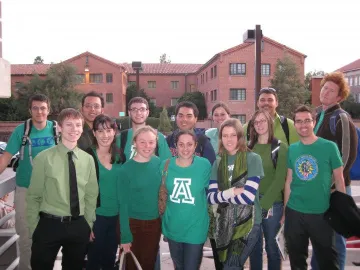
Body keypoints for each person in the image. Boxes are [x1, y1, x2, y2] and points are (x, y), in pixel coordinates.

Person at [26, 108, 99, 270]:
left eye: (78, 125)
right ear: (59, 128)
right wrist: (34, 228)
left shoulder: (87, 160)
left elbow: (91, 194)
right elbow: (33, 196)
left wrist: (88, 223)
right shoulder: (43, 158)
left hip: (78, 225)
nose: (74, 129)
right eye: (69, 125)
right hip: (48, 225)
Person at [283, 105, 345, 270]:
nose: (303, 125)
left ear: (314, 122)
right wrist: (285, 212)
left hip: (322, 214)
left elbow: (339, 180)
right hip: (295, 213)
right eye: (299, 121)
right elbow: (289, 181)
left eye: (307, 120)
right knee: (297, 263)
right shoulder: (292, 149)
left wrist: (341, 209)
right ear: (294, 124)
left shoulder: (329, 147)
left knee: (328, 262)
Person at [0, 94, 57, 270]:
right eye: (35, 108)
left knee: (49, 237)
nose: (39, 111)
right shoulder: (21, 130)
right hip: (25, 190)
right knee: (25, 237)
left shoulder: (57, 129)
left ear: (49, 109)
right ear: (30, 110)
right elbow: (5, 158)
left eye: (43, 108)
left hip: (50, 192)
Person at [311, 72, 358, 270]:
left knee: (336, 240)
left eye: (331, 90)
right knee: (318, 238)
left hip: (335, 189)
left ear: (339, 97)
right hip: (316, 189)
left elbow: (347, 156)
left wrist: (330, 184)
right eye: (324, 87)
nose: (326, 92)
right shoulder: (317, 115)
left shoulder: (341, 118)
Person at [207, 118, 264, 270]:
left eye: (233, 135)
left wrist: (222, 195)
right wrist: (233, 191)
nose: (229, 139)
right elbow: (211, 197)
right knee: (229, 265)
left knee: (231, 266)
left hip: (249, 222)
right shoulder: (218, 162)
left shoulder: (253, 159)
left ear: (240, 137)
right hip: (224, 223)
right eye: (225, 136)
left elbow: (248, 197)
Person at [161, 130, 211, 270]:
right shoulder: (165, 165)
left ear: (195, 145)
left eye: (189, 144)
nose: (185, 148)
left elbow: (212, 191)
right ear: (175, 146)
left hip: (196, 228)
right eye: (181, 144)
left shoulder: (204, 165)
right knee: (179, 267)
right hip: (173, 228)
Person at [247, 110, 288, 270]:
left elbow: (280, 180)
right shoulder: (249, 148)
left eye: (263, 121)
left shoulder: (280, 148)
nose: (259, 125)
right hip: (251, 204)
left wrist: (263, 206)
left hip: (272, 205)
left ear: (270, 123)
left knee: (272, 248)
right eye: (256, 122)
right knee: (254, 249)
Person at [118, 126, 162, 270]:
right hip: (133, 224)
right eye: (142, 142)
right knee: (132, 266)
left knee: (148, 264)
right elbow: (122, 205)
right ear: (134, 143)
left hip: (154, 224)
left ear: (156, 143)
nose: (147, 146)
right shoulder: (125, 169)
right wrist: (124, 235)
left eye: (151, 142)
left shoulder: (160, 164)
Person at [86, 115, 122, 270]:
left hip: (116, 217)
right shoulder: (87, 156)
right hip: (96, 218)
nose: (105, 135)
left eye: (108, 130)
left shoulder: (120, 156)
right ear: (94, 133)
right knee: (93, 261)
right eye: (100, 131)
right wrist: (87, 223)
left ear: (114, 132)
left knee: (109, 260)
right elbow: (80, 191)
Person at [206, 103, 230, 270]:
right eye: (216, 114)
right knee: (215, 236)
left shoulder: (236, 135)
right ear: (212, 117)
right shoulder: (208, 135)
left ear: (229, 115)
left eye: (223, 114)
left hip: (232, 194)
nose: (220, 117)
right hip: (214, 194)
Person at [116, 97, 171, 161]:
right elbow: (116, 164)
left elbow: (167, 163)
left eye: (142, 109)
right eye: (134, 109)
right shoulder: (121, 138)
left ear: (147, 112)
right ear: (129, 113)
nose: (138, 113)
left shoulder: (158, 137)